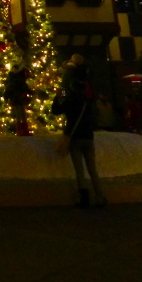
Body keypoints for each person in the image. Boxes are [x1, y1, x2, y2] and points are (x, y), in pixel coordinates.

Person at [52, 60, 106, 208]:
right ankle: (100, 196)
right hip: (89, 137)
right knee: (93, 169)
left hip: (75, 138)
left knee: (79, 170)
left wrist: (58, 96)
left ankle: (84, 198)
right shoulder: (87, 102)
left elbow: (55, 111)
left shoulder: (69, 101)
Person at [3, 64, 32, 136]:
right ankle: (22, 131)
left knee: (21, 115)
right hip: (17, 99)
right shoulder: (18, 80)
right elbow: (22, 88)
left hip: (18, 99)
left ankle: (23, 130)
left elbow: (8, 90)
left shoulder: (13, 79)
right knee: (20, 115)